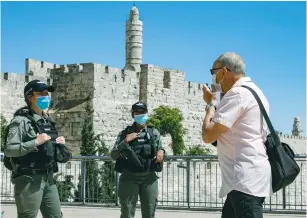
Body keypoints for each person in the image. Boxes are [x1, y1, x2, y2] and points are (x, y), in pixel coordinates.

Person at [201, 52, 272, 218]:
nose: (213, 78)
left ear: (224, 72)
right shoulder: (254, 91)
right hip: (244, 181)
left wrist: (211, 104)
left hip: (244, 182)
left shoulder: (238, 94)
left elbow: (208, 135)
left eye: (213, 72)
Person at [3, 79, 71, 218]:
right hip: (29, 179)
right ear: (30, 97)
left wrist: (61, 145)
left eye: (47, 93)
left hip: (48, 178)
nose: (46, 96)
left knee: (56, 216)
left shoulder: (47, 121)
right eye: (41, 93)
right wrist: (35, 142)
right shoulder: (20, 121)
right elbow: (9, 149)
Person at [110, 102, 166, 218]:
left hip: (149, 178)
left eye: (142, 112)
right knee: (127, 214)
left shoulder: (153, 133)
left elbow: (162, 151)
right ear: (133, 115)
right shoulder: (125, 133)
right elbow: (113, 155)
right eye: (137, 113)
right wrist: (125, 141)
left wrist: (162, 152)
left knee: (149, 213)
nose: (140, 115)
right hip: (129, 178)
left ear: (146, 113)